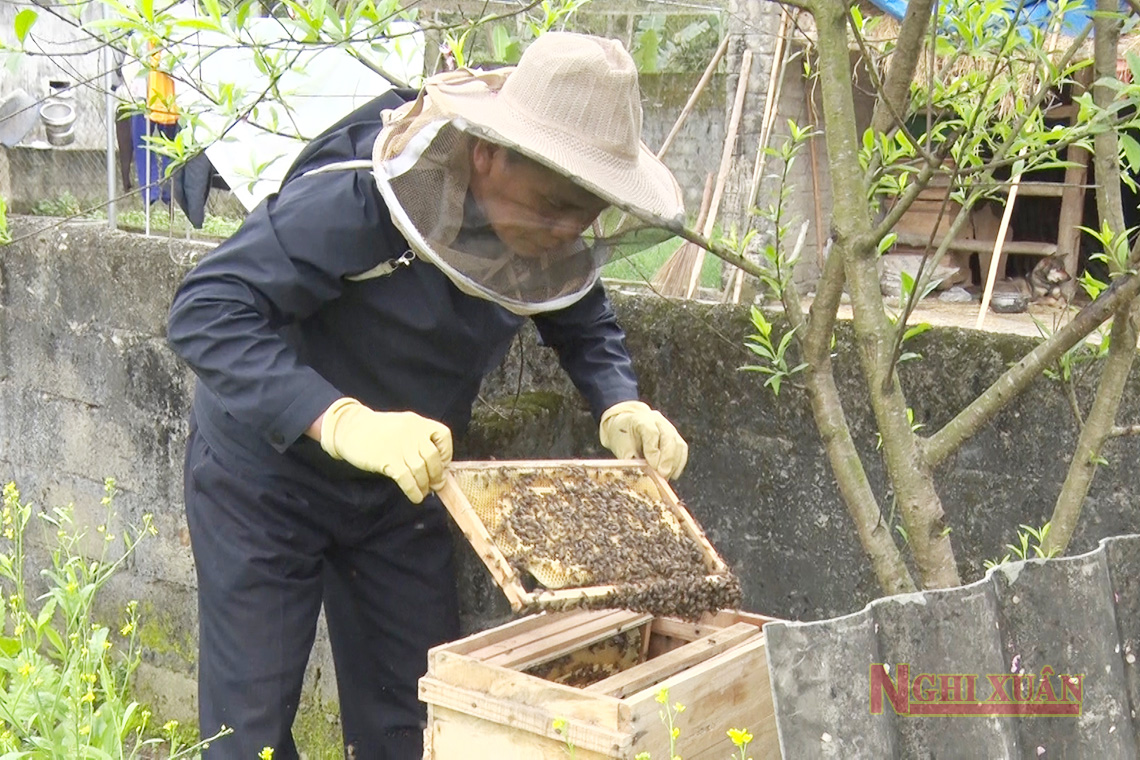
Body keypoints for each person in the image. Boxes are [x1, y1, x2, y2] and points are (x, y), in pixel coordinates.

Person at [167, 31, 690, 760]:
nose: (566, 230)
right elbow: (206, 308)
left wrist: (619, 401)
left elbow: (583, 317)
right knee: (245, 734)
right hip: (266, 480)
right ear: (486, 155)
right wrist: (340, 420)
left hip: (400, 493)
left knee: (415, 722)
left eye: (585, 214)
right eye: (552, 205)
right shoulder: (357, 199)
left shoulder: (545, 240)